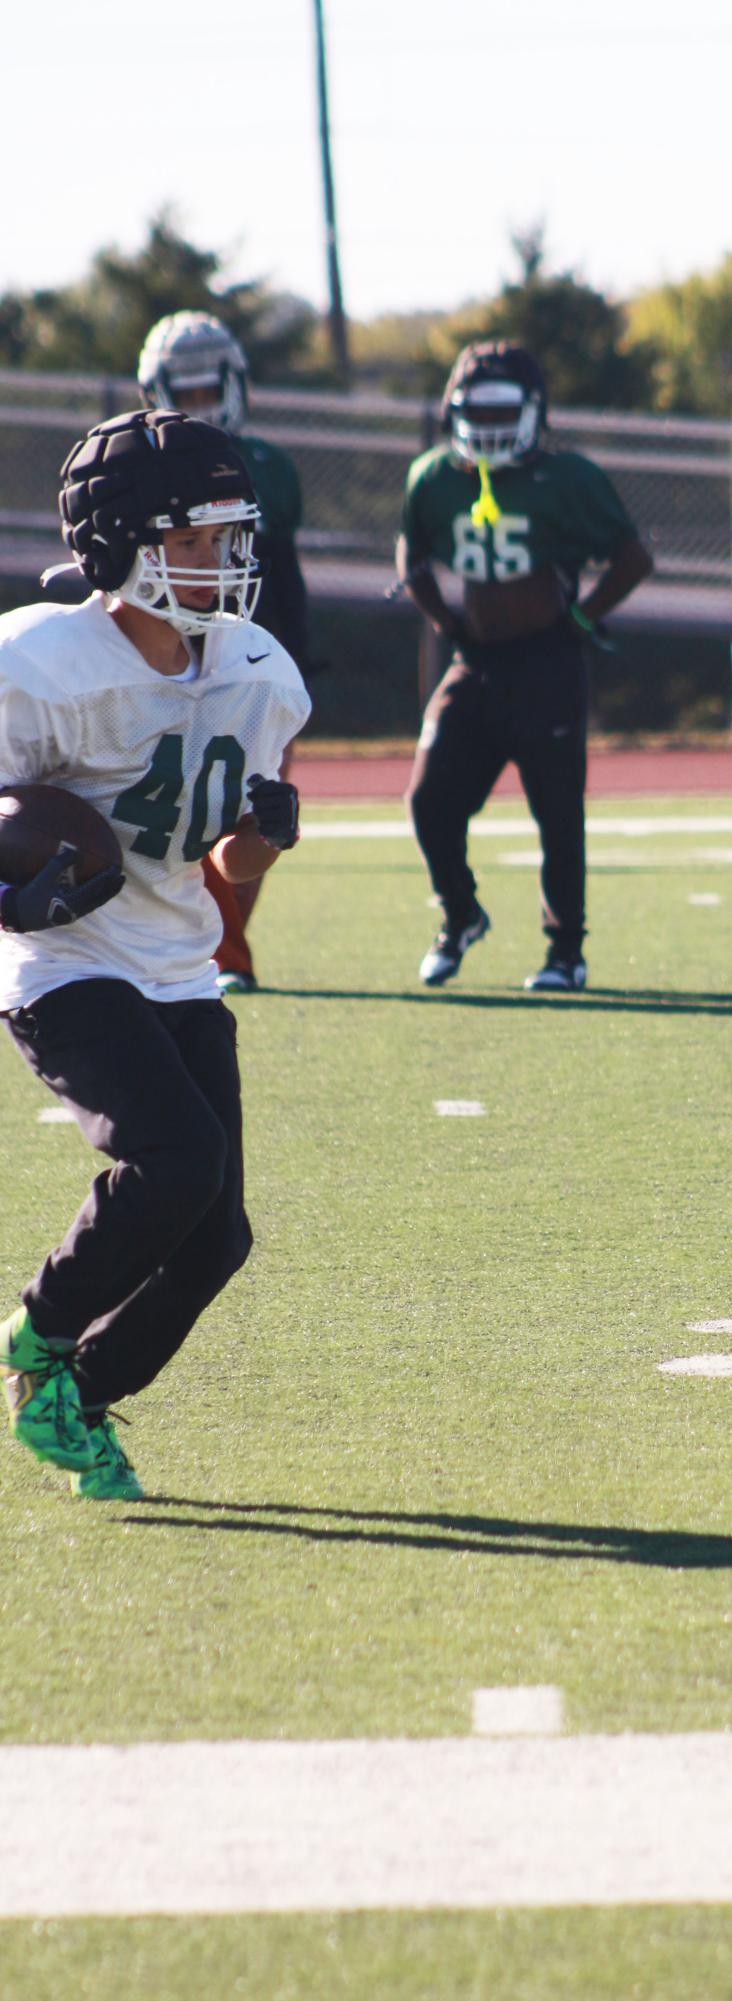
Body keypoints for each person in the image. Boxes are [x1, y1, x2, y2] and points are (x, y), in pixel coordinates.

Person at [0, 408, 309, 1499]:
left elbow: (225, 872)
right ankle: (35, 1334)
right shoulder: (34, 663)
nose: (224, 561)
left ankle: (74, 1400)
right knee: (175, 1159)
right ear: (123, 543)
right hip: (65, 961)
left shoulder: (257, 668)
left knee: (215, 1235)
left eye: (234, 537)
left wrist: (261, 839)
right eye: (196, 539)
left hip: (177, 956)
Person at [397, 340, 653, 993]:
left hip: (547, 662)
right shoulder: (434, 476)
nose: (485, 427)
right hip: (476, 660)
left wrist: (582, 618)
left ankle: (565, 950)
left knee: (557, 813)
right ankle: (460, 914)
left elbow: (631, 557)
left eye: (501, 411)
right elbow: (412, 550)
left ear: (534, 410)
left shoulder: (567, 478)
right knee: (429, 800)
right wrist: (442, 618)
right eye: (473, 412)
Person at [138, 311, 310, 995]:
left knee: (256, 814)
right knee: (176, 810)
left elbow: (286, 574)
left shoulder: (271, 467)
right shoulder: (135, 462)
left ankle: (225, 947)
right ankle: (213, 954)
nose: (200, 408)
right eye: (187, 392)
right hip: (165, 658)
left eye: (210, 392)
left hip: (250, 659)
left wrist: (297, 663)